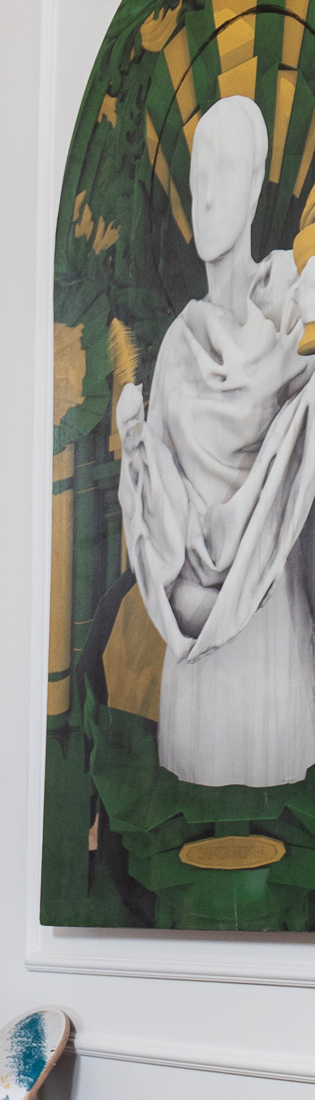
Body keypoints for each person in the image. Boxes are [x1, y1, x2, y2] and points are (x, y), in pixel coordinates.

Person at [116, 92, 315, 789]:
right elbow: (162, 534)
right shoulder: (177, 350)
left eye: (224, 169)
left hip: (274, 662)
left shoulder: (293, 313)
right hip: (199, 682)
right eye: (198, 173)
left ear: (255, 182)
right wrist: (136, 460)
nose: (204, 193)